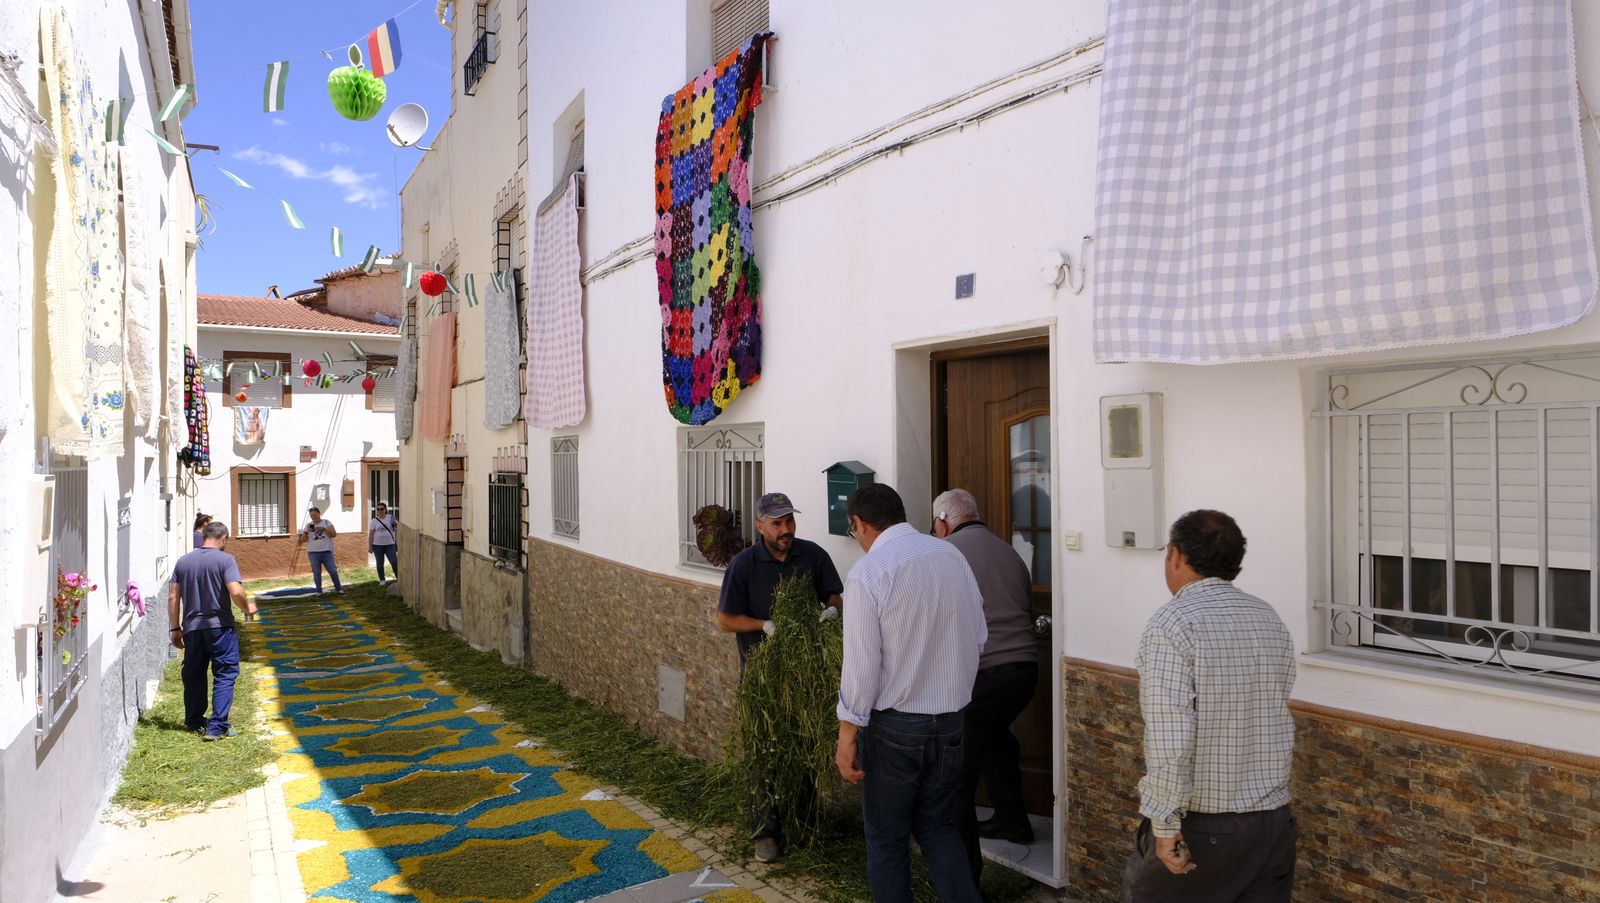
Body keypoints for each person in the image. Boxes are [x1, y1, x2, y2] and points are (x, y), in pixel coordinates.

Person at [1122, 510, 1297, 903]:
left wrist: (1165, 826)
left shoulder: (1173, 623)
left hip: (1206, 828)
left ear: (1177, 556)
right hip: (1273, 826)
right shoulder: (1266, 617)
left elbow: (1171, 734)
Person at [835, 484, 985, 903]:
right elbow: (978, 636)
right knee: (939, 828)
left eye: (854, 531)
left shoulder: (869, 572)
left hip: (895, 727)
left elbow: (862, 668)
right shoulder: (951, 554)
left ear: (861, 524)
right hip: (952, 719)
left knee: (887, 839)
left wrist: (846, 736)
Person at [716, 491, 843, 865]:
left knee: (804, 749)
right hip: (761, 680)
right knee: (764, 757)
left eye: (789, 521)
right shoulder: (743, 564)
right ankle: (766, 833)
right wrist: (762, 625)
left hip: (804, 676)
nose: (786, 529)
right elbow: (725, 618)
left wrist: (832, 612)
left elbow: (834, 595)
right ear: (760, 526)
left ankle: (805, 824)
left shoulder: (813, 555)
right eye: (777, 523)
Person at [932, 488, 1039, 881]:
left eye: (934, 525)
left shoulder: (946, 554)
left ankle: (965, 879)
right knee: (997, 736)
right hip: (1025, 671)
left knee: (959, 774)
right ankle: (1013, 819)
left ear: (943, 522)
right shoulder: (1009, 551)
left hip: (984, 674)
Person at [168, 521, 257, 740]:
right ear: (223, 537)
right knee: (225, 673)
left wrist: (175, 628)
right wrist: (247, 608)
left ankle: (195, 721)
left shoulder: (183, 562)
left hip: (192, 629)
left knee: (194, 674)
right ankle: (217, 726)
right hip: (220, 628)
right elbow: (236, 591)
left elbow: (172, 597)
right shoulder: (226, 560)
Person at [299, 506, 343, 594]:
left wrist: (324, 529)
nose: (313, 517)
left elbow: (333, 535)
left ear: (319, 513)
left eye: (315, 515)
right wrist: (307, 532)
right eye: (311, 516)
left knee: (332, 570)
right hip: (313, 553)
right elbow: (302, 540)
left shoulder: (326, 522)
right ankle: (319, 591)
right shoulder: (308, 525)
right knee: (317, 572)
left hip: (326, 552)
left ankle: (339, 589)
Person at [369, 502, 399, 584]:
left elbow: (396, 527)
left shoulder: (390, 517)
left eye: (382, 509)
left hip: (390, 544)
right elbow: (371, 534)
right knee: (379, 563)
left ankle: (398, 578)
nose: (380, 511)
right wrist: (370, 546)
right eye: (378, 509)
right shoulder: (374, 521)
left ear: (385, 510)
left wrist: (395, 524)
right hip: (377, 545)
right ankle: (382, 579)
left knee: (394, 561)